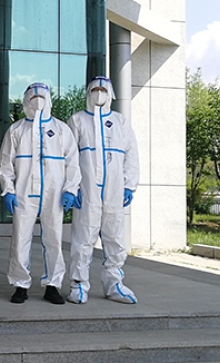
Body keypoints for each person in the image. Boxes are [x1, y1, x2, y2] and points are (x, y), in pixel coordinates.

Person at [0, 82, 82, 304]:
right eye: (33, 97)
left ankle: (53, 285)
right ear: (26, 100)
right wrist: (8, 190)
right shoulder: (16, 130)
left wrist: (70, 189)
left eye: (42, 96)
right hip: (24, 192)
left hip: (54, 193)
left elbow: (73, 162)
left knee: (54, 238)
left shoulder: (61, 129)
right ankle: (20, 284)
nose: (37, 101)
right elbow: (6, 163)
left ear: (49, 99)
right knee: (20, 238)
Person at [66, 76, 140, 304]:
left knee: (114, 236)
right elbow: (68, 157)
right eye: (95, 89)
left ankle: (114, 284)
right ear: (88, 93)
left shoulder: (120, 121)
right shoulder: (77, 120)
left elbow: (131, 154)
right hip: (87, 189)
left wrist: (129, 185)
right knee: (83, 238)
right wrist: (71, 187)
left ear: (111, 94)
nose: (99, 93)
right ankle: (78, 285)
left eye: (103, 89)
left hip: (114, 189)